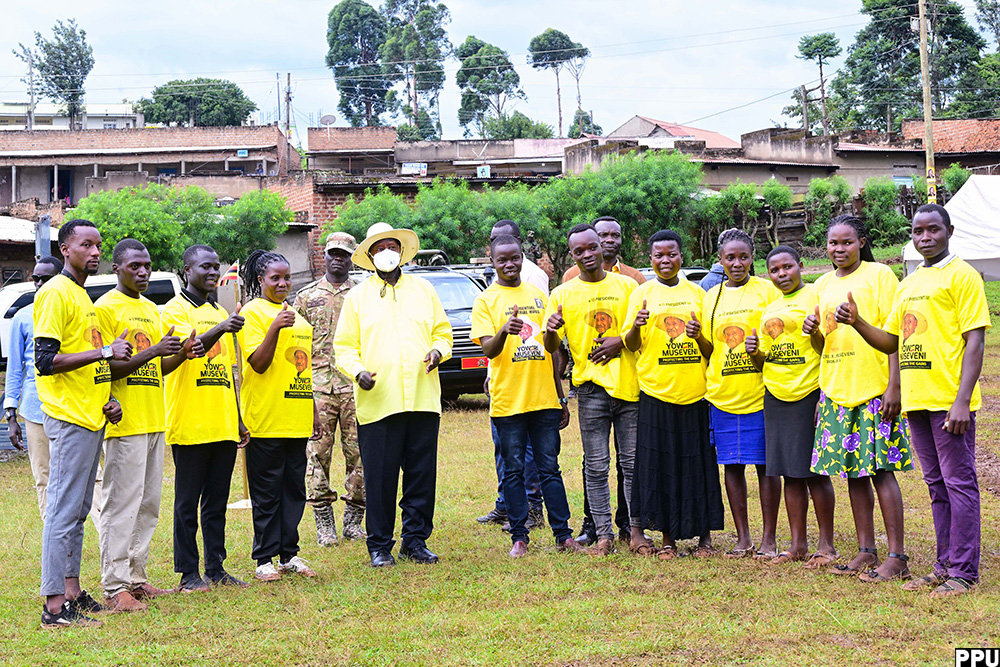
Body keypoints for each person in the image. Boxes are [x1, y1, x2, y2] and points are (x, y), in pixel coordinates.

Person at [840, 204, 989, 596]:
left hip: (948, 400)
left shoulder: (963, 276)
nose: (925, 237)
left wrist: (961, 401)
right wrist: (857, 322)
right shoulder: (908, 283)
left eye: (933, 230)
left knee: (960, 483)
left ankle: (963, 571)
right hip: (917, 400)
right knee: (937, 484)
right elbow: (892, 341)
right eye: (918, 231)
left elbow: (975, 340)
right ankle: (943, 564)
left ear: (949, 231)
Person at [334, 222, 453, 568]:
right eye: (379, 247)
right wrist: (358, 372)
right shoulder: (357, 297)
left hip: (422, 398)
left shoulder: (424, 289)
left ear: (401, 251)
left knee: (421, 475)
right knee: (381, 477)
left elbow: (443, 333)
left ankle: (415, 541)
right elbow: (343, 348)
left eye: (392, 246)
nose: (386, 252)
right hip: (378, 402)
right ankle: (380, 545)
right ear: (370, 256)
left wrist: (437, 352)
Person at [94, 239, 204, 612]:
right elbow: (107, 366)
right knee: (121, 505)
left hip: (155, 417)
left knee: (148, 505)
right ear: (116, 269)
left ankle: (137, 578)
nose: (143, 272)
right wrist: (154, 350)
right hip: (125, 422)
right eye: (134, 267)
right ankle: (114, 587)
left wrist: (181, 354)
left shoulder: (151, 310)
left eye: (147, 266)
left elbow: (156, 367)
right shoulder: (105, 309)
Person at [34, 219, 131, 628]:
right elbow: (46, 361)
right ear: (65, 250)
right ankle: (54, 607)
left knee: (78, 509)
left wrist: (106, 397)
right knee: (62, 509)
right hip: (69, 416)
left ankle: (72, 591)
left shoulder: (81, 296)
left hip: (91, 415)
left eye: (98, 246)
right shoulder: (56, 292)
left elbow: (86, 360)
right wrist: (107, 350)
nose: (95, 252)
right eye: (86, 245)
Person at [809, 215, 913, 583]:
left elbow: (894, 336)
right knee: (853, 473)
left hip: (874, 389)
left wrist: (894, 386)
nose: (839, 249)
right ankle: (866, 551)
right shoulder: (821, 284)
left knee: (882, 473)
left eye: (847, 242)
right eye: (833, 243)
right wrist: (813, 334)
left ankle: (897, 555)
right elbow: (823, 345)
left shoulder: (880, 276)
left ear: (861, 242)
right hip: (836, 389)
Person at [471, 234, 582, 557]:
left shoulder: (537, 294)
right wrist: (504, 330)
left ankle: (563, 535)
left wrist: (561, 396)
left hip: (545, 398)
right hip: (509, 402)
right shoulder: (486, 301)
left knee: (550, 469)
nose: (509, 264)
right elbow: (488, 351)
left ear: (523, 257)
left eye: (514, 258)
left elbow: (551, 350)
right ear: (492, 262)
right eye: (502, 259)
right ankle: (519, 536)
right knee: (514, 470)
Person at [623, 230, 724, 560]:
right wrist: (637, 325)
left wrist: (697, 337)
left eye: (671, 254)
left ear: (682, 256)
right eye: (658, 256)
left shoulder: (698, 293)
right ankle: (667, 539)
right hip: (655, 392)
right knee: (661, 466)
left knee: (700, 465)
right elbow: (631, 345)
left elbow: (711, 350)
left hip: (695, 393)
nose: (665, 260)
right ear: (650, 260)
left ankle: (705, 539)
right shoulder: (641, 294)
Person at [544, 223, 640, 557]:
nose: (587, 255)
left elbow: (637, 339)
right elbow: (551, 345)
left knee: (631, 465)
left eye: (592, 247)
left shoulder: (628, 286)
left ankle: (636, 532)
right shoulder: (562, 293)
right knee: (596, 466)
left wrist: (620, 342)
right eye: (579, 251)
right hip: (589, 390)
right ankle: (603, 535)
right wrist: (552, 331)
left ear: (603, 247)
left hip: (629, 389)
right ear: (572, 255)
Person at [688, 228, 782, 559]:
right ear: (720, 261)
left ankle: (768, 539)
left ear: (752, 258)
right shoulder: (710, 296)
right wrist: (698, 337)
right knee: (732, 465)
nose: (737, 263)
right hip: (722, 394)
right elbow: (710, 349)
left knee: (766, 465)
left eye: (743, 256)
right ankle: (743, 537)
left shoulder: (768, 292)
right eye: (731, 257)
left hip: (761, 392)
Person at [162, 244, 249, 592]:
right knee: (187, 504)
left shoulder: (217, 310)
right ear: (187, 270)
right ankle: (188, 573)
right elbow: (190, 348)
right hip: (190, 422)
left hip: (223, 422)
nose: (213, 273)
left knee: (216, 503)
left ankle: (216, 567)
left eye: (217, 268)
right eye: (205, 268)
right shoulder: (174, 309)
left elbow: (227, 371)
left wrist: (238, 418)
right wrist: (224, 326)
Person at [752, 245, 837, 568]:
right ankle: (798, 544)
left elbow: (829, 345)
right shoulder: (770, 307)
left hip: (809, 391)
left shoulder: (818, 296)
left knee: (814, 471)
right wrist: (753, 352)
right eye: (774, 270)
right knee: (789, 472)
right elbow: (765, 356)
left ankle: (826, 545)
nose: (782, 274)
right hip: (775, 393)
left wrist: (824, 394)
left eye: (787, 267)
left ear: (801, 266)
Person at [239, 250, 319, 582]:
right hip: (266, 418)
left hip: (296, 416)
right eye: (275, 278)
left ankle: (289, 553)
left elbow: (303, 369)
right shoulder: (253, 313)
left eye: (287, 277)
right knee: (267, 491)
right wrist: (274, 327)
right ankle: (263, 558)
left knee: (293, 490)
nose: (283, 283)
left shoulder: (298, 318)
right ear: (260, 280)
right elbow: (257, 363)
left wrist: (312, 408)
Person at [5, 256, 104, 524]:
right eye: (35, 278)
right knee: (44, 475)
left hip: (73, 406)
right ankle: (54, 534)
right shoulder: (23, 317)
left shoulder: (77, 305)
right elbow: (16, 369)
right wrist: (11, 415)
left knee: (91, 476)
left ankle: (101, 528)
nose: (38, 283)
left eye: (45, 278)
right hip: (35, 410)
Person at [293, 232, 366, 545]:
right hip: (319, 388)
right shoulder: (306, 297)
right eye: (334, 253)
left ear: (351, 258)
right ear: (324, 255)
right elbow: (295, 348)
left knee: (360, 454)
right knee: (317, 455)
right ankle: (325, 525)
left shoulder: (363, 295)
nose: (339, 258)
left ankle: (353, 521)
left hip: (356, 386)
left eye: (344, 254)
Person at [476, 220, 547, 531]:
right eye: (494, 244)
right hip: (504, 376)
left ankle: (532, 508)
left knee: (527, 451)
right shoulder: (492, 288)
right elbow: (492, 340)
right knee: (504, 448)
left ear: (519, 246)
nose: (505, 260)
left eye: (508, 247)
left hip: (530, 379)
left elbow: (542, 332)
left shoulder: (534, 279)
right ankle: (506, 504)